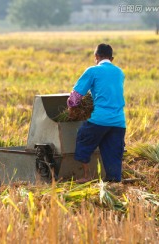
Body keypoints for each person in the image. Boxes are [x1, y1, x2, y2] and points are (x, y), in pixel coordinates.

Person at [67, 43, 126, 183]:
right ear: (112, 58)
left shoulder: (92, 71)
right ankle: (114, 181)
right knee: (113, 152)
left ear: (96, 57)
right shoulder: (119, 72)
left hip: (100, 119)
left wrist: (71, 108)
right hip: (119, 121)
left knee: (83, 139)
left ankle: (87, 176)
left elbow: (76, 95)